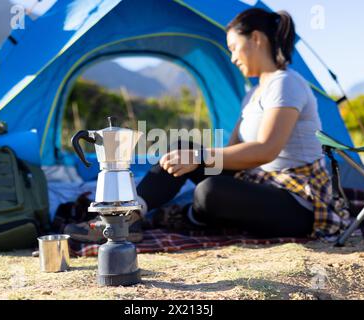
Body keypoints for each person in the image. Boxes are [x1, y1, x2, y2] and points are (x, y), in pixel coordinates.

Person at [135, 8, 350, 239]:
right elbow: (231, 156)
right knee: (181, 149)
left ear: (256, 39)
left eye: (234, 48)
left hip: (296, 199)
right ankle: (129, 214)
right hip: (256, 183)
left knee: (210, 191)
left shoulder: (286, 83)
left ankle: (187, 216)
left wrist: (201, 157)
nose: (233, 58)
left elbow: (266, 150)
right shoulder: (253, 93)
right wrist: (192, 156)